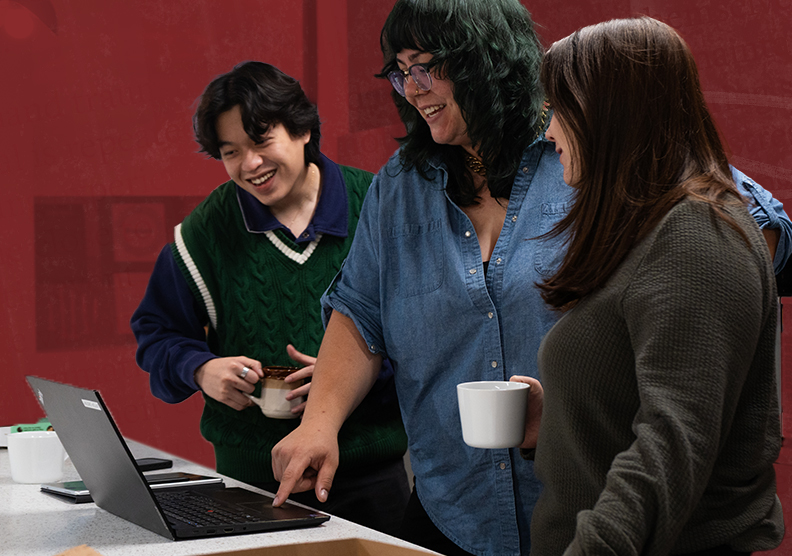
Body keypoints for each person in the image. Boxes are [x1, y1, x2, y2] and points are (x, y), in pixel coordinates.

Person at [270, 2, 791, 555]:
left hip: (610, 507)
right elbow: (361, 309)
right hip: (456, 508)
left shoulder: (605, 156)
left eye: (425, 66)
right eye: (400, 73)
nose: (411, 89)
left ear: (485, 60)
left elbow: (741, 227)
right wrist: (319, 424)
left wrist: (691, 332)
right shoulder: (400, 186)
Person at [519, 17, 784, 555]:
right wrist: (564, 416)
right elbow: (649, 398)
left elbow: (671, 447)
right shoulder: (650, 226)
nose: (548, 133)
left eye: (559, 111)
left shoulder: (698, 234)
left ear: (610, 113)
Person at [130, 61, 409, 536]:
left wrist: (345, 377)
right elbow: (155, 335)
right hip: (248, 484)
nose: (249, 165)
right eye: (231, 152)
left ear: (302, 130)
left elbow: (432, 335)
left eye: (261, 142)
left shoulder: (381, 204)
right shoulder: (207, 230)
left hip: (372, 477)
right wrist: (200, 369)